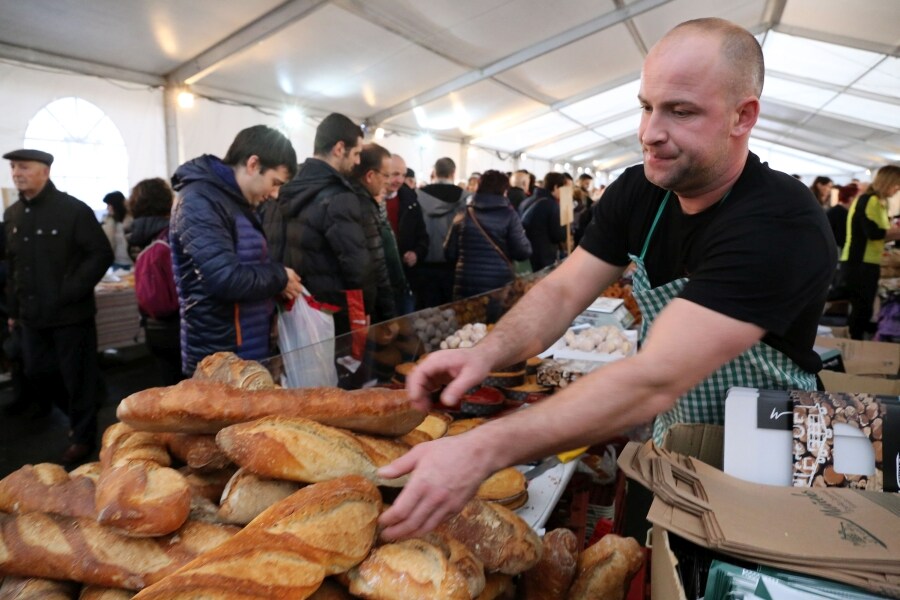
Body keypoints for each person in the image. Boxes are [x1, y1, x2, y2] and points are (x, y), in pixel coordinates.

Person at [377, 17, 836, 540]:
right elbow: (562, 289)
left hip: (779, 455)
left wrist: (483, 448)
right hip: (681, 435)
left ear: (743, 115)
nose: (649, 133)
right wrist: (484, 354)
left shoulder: (779, 221)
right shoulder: (642, 191)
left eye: (680, 111)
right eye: (646, 107)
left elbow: (656, 378)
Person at [3, 148, 113, 465]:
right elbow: (14, 268)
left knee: (78, 379)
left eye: (24, 167)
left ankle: (82, 438)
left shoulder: (72, 210)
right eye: (13, 167)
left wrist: (71, 290)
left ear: (45, 172)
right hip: (32, 317)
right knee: (39, 372)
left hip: (70, 316)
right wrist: (13, 312)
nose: (16, 173)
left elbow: (99, 254)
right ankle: (82, 414)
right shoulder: (13, 216)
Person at [170, 125, 302, 377]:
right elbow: (225, 278)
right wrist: (279, 277)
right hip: (220, 356)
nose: (275, 194)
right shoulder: (199, 201)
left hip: (246, 349)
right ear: (253, 164)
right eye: (275, 183)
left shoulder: (235, 202)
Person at [267, 112, 367, 337]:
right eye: (357, 153)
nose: (358, 161)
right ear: (339, 148)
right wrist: (366, 310)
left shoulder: (283, 186)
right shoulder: (339, 196)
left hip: (284, 305)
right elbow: (356, 265)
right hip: (326, 314)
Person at [126, 177, 182, 385]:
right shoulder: (173, 233)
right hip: (178, 325)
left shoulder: (135, 236)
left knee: (167, 382)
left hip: (151, 324)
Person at [444, 170, 531, 300]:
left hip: (465, 284)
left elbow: (449, 252)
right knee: (495, 319)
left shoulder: (464, 213)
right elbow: (523, 251)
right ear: (504, 190)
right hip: (499, 286)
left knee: (467, 319)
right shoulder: (509, 215)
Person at [839, 165, 900, 339]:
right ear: (887, 181)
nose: (897, 189)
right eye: (896, 185)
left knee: (863, 309)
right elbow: (873, 233)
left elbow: (880, 235)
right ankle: (854, 345)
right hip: (858, 262)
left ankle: (856, 343)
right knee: (861, 308)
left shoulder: (881, 202)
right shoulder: (869, 200)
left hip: (870, 262)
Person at [349, 143, 397, 325]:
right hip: (366, 306)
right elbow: (376, 264)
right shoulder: (364, 206)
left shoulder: (347, 197)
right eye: (386, 175)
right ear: (370, 175)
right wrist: (389, 316)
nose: (388, 181)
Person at [416, 157, 466, 308]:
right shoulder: (464, 197)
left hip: (423, 261)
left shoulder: (418, 196)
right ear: (453, 173)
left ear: (434, 172)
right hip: (452, 264)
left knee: (425, 312)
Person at [385, 154, 428, 315]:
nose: (400, 180)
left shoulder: (411, 201)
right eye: (395, 174)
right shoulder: (369, 201)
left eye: (403, 175)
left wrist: (416, 253)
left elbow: (423, 237)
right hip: (379, 282)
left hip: (405, 279)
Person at [518, 171, 567, 271]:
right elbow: (558, 235)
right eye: (563, 189)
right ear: (556, 187)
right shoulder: (551, 205)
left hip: (527, 253)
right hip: (544, 256)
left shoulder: (526, 201)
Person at [100, 191, 133, 269]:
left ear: (116, 204)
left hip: (133, 263)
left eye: (109, 205)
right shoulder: (106, 222)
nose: (107, 208)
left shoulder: (132, 220)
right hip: (116, 263)